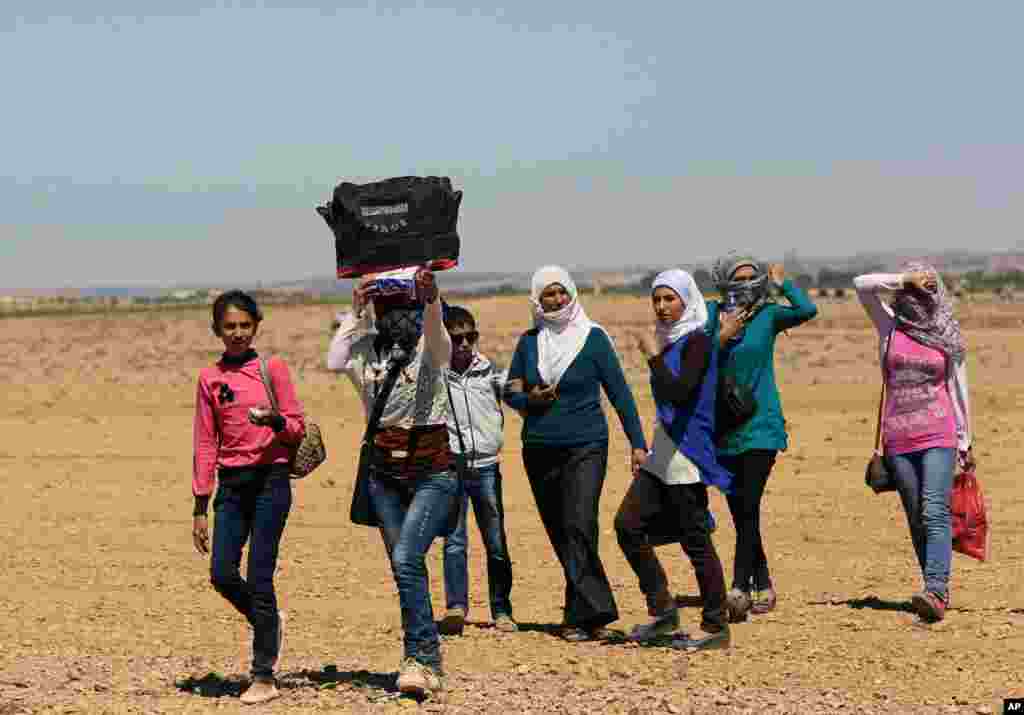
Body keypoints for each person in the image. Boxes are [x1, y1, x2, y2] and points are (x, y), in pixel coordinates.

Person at [326, 267, 457, 697]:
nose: (398, 316)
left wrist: (432, 298)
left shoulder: (430, 352)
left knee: (405, 559)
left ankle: (421, 658)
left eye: (406, 308)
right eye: (389, 308)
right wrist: (356, 309)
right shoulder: (366, 354)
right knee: (406, 568)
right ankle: (423, 657)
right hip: (384, 478)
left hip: (432, 473)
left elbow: (441, 338)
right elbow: (334, 359)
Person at [504, 266, 648, 641]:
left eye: (561, 292)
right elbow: (510, 391)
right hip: (539, 448)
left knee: (580, 525)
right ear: (537, 299)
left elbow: (620, 394)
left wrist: (637, 443)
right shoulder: (529, 342)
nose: (556, 300)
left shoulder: (594, 339)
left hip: (586, 445)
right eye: (548, 294)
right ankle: (584, 613)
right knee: (559, 531)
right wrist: (529, 399)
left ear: (572, 294)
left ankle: (589, 615)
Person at [192, 290, 306, 705]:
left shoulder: (271, 368)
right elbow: (205, 442)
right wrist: (200, 505)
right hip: (232, 486)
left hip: (271, 482)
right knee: (222, 573)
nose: (237, 333)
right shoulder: (209, 379)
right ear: (217, 330)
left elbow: (296, 426)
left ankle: (263, 675)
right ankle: (269, 622)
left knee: (260, 575)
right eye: (229, 326)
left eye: (244, 325)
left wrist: (275, 420)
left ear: (256, 326)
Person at [615, 269, 732, 651]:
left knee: (695, 540)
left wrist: (651, 356)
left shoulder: (695, 340)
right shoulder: (672, 340)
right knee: (628, 524)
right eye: (657, 300)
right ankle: (663, 610)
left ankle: (716, 625)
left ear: (687, 300)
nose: (663, 307)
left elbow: (679, 393)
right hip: (664, 448)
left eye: (670, 299)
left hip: (688, 451)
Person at [853, 264, 973, 622]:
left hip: (939, 431)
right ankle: (931, 585)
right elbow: (862, 285)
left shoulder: (946, 332)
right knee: (915, 515)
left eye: (928, 287)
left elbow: (958, 387)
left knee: (934, 509)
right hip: (897, 437)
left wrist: (966, 440)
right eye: (914, 287)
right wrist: (904, 280)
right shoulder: (889, 325)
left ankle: (936, 590)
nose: (919, 294)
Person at [709, 254, 818, 622]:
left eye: (750, 278)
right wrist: (720, 336)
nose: (743, 284)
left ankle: (739, 588)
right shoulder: (712, 315)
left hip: (762, 427)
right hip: (723, 430)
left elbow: (807, 309)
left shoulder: (769, 315)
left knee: (749, 505)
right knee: (741, 513)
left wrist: (782, 283)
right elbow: (695, 357)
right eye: (736, 278)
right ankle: (764, 582)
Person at [437, 305, 517, 636]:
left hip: (486, 467)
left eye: (471, 336)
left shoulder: (490, 371)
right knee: (454, 541)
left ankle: (501, 609)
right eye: (457, 339)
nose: (466, 344)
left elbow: (519, 398)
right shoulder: (437, 375)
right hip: (451, 467)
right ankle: (456, 607)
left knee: (495, 541)